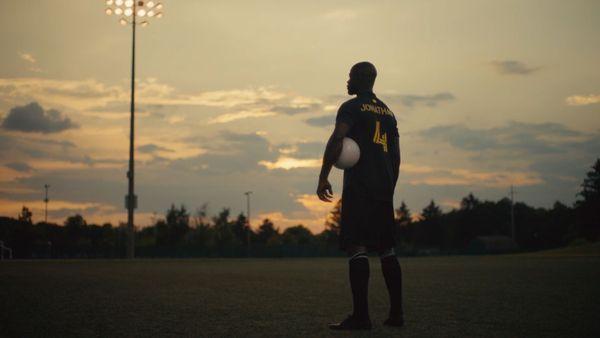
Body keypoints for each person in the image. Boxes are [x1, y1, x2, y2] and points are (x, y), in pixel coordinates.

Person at [316, 61, 403, 330]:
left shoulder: (351, 108)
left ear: (359, 78)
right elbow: (397, 155)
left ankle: (361, 317)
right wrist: (390, 184)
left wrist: (323, 176)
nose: (346, 81)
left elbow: (337, 140)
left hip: (361, 188)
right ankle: (397, 315)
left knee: (357, 246)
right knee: (387, 249)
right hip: (384, 189)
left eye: (349, 76)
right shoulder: (388, 113)